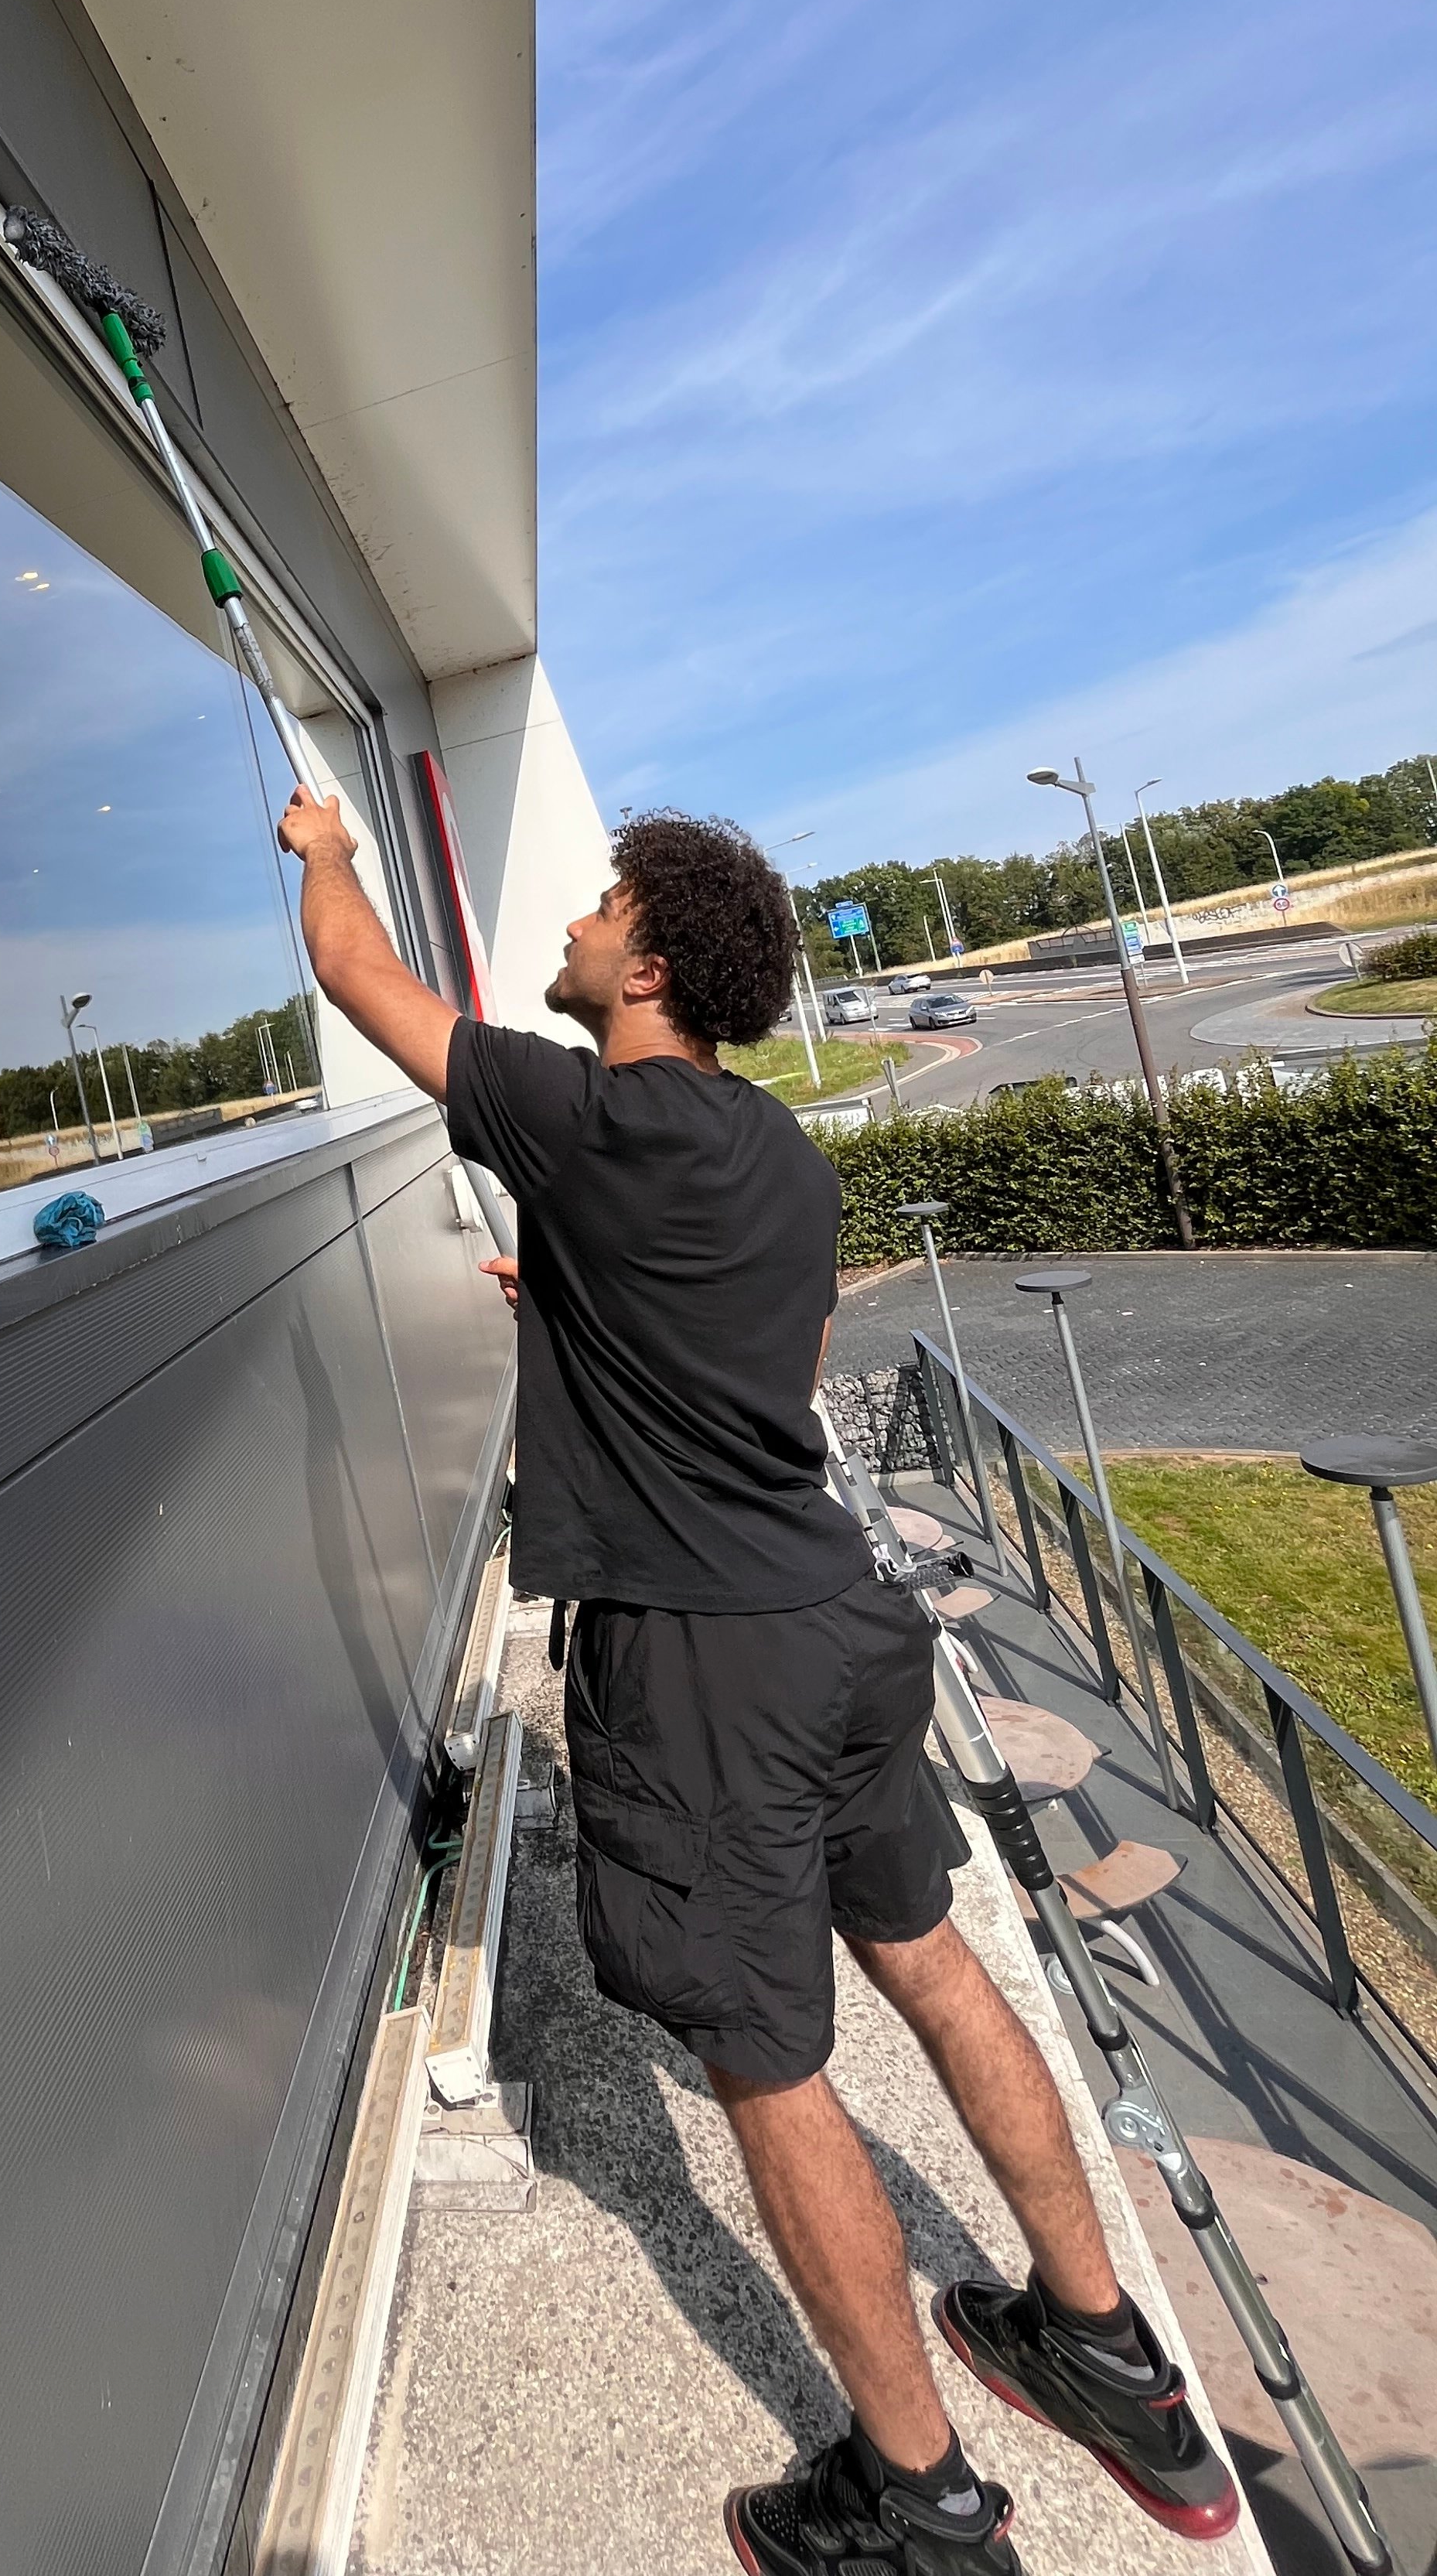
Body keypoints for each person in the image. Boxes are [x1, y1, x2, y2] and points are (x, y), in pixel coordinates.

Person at [277, 788, 1237, 2576]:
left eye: (596, 908)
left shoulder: (577, 1109)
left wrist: (325, 842)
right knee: (931, 1963)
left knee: (768, 2060)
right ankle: (1105, 2351)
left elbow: (353, 968)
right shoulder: (780, 1154)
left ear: (643, 968)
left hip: (707, 1669)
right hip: (841, 1619)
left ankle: (923, 2501)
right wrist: (570, 1297)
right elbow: (766, 1359)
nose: (570, 926)